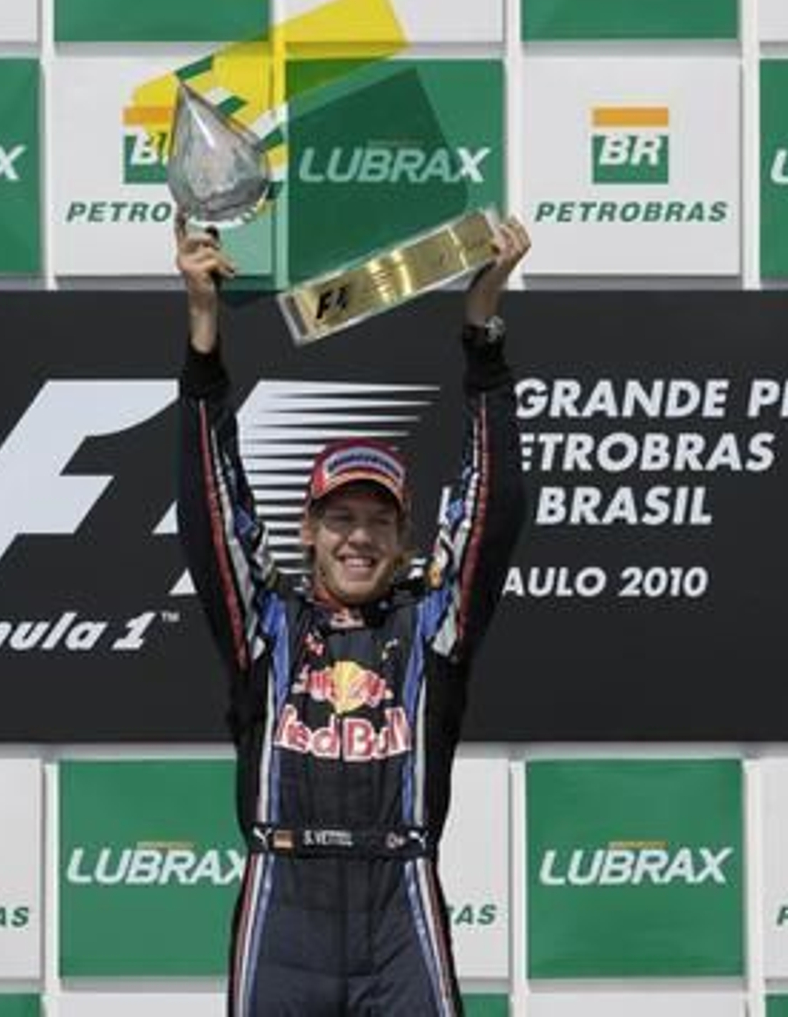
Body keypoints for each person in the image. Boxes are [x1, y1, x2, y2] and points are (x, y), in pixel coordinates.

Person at [174, 214, 530, 1015]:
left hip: (400, 895)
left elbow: (495, 506)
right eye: (340, 518)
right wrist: (202, 334)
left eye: (377, 521)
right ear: (308, 530)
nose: (359, 538)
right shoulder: (268, 626)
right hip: (284, 899)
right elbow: (210, 507)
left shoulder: (430, 626)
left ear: (403, 538)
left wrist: (483, 334)